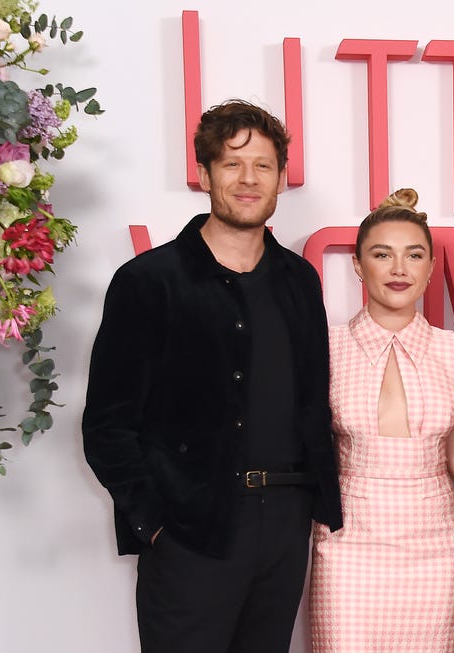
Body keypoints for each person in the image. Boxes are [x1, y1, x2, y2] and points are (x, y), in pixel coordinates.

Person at [82, 99, 342, 653]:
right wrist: (155, 522)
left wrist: (310, 508)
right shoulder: (149, 281)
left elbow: (310, 404)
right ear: (204, 175)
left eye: (263, 165)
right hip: (191, 531)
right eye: (232, 164)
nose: (248, 179)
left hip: (285, 526)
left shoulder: (299, 280)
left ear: (280, 179)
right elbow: (107, 424)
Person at [310, 189, 454, 652]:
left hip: (435, 552)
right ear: (357, 264)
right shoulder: (324, 350)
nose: (398, 269)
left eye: (414, 255)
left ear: (431, 267)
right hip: (347, 547)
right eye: (381, 254)